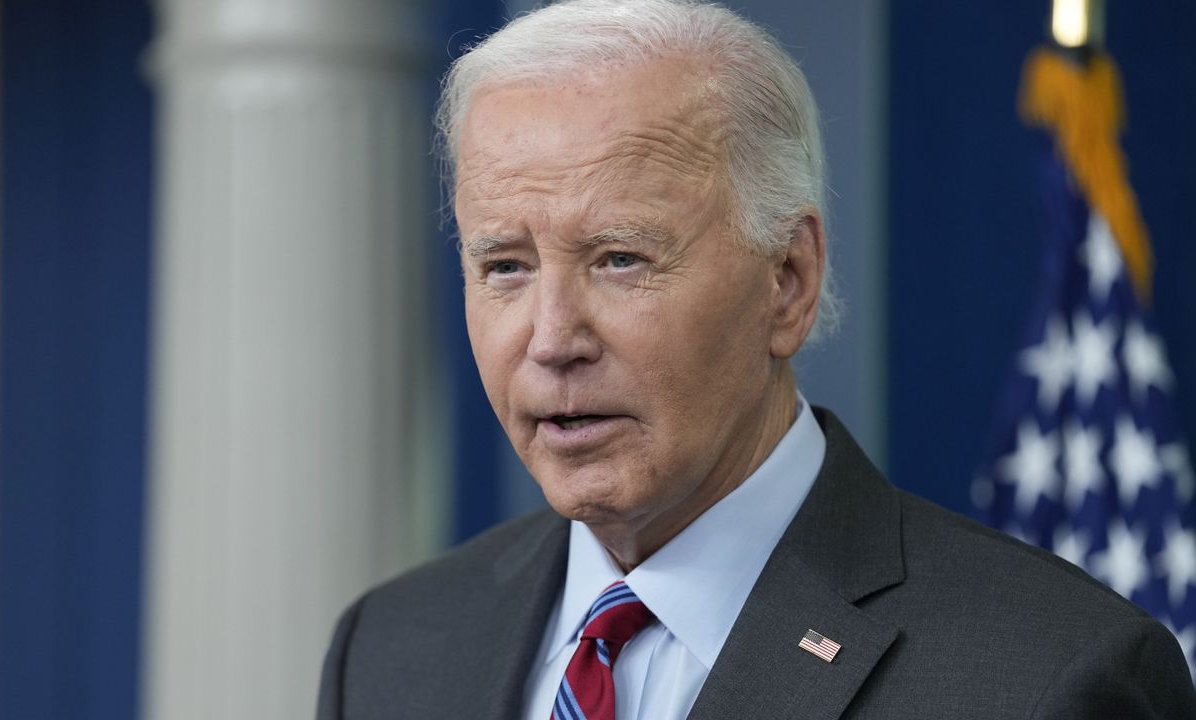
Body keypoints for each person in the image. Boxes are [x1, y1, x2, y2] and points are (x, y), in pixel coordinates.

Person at [316, 1, 1196, 718]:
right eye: (504, 266)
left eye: (620, 258)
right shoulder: (392, 650)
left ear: (789, 280)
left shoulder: (1050, 679)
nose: (551, 340)